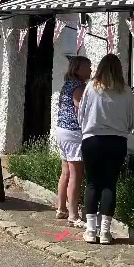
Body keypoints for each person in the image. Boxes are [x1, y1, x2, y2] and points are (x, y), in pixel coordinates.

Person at [77, 53, 134, 244]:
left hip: (93, 139)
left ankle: (90, 230)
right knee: (110, 184)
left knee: (93, 183)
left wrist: (87, 129)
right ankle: (105, 232)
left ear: (100, 68)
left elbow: (81, 114)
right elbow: (132, 120)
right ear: (119, 70)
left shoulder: (91, 88)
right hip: (117, 141)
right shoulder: (126, 91)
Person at [55, 55, 91, 227]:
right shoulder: (79, 86)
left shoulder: (67, 84)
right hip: (73, 133)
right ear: (78, 69)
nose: (91, 70)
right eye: (88, 67)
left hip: (62, 130)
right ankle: (73, 215)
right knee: (77, 174)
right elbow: (80, 109)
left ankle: (61, 208)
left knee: (66, 172)